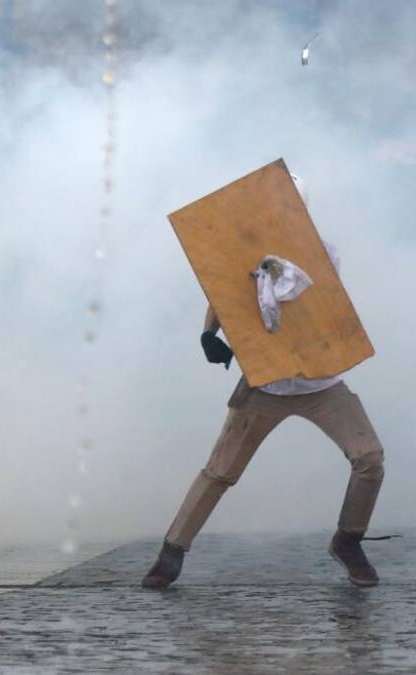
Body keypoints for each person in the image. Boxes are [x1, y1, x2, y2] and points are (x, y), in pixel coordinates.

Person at [142, 176, 386, 589]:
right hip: (266, 384)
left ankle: (348, 540)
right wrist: (209, 334)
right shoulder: (242, 249)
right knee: (220, 471)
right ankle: (171, 553)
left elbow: (316, 307)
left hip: (319, 383)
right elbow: (225, 294)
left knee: (369, 457)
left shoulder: (324, 253)